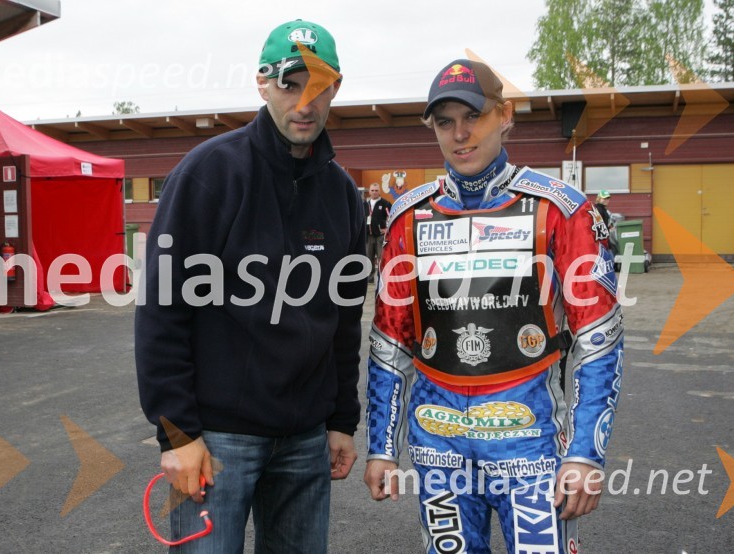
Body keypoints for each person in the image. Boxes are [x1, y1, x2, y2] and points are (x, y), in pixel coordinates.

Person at [363, 58, 624, 554]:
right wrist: (381, 447)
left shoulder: (560, 208)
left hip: (531, 443)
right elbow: (389, 342)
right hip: (438, 443)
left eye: (473, 117)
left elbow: (599, 337)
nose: (460, 134)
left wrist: (586, 455)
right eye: (445, 122)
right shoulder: (408, 216)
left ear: (505, 116)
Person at [136, 19, 367, 553]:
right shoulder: (209, 174)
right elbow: (162, 311)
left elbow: (344, 320)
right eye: (290, 84)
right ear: (262, 84)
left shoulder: (341, 195)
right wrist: (177, 433)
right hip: (215, 442)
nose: (304, 103)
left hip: (307, 439)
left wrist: (340, 421)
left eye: (318, 86)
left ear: (337, 87)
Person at [365, 182, 391, 282]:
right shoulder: (364, 204)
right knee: (369, 257)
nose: (374, 192)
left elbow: (391, 215)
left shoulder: (385, 203)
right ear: (369, 191)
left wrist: (387, 228)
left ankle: (382, 277)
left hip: (380, 236)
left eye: (376, 190)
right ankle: (370, 278)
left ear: (379, 191)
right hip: (368, 236)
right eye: (372, 190)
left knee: (381, 257)